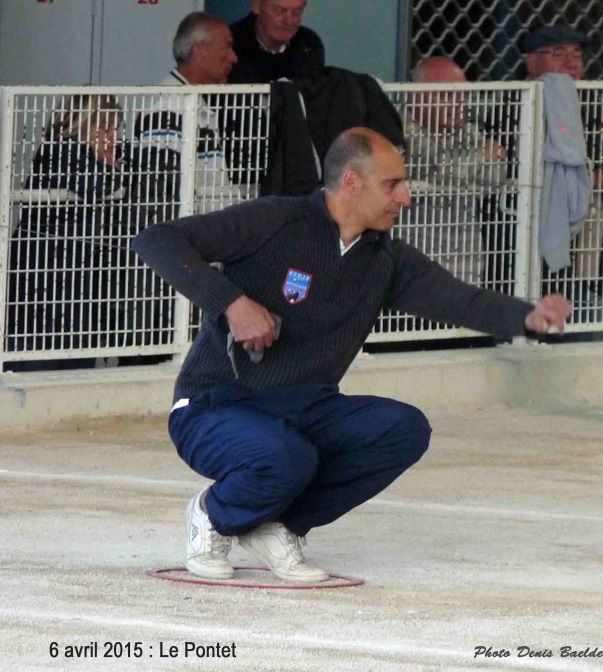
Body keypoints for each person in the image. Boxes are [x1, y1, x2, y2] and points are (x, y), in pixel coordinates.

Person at [131, 127, 571, 583]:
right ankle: (213, 514)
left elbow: (461, 300)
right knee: (288, 458)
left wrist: (527, 317)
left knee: (402, 429)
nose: (405, 197)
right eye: (393, 184)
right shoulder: (274, 221)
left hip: (306, 407)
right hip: (214, 406)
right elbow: (156, 240)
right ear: (352, 183)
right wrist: (232, 304)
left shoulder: (385, 258)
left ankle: (280, 524)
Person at [524, 24, 603, 303]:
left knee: (578, 334)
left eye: (577, 54)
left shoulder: (591, 102)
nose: (571, 63)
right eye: (558, 53)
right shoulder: (517, 102)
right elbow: (524, 161)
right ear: (532, 61)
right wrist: (595, 154)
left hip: (587, 257)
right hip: (525, 253)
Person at [7, 94, 129, 370]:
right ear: (83, 126)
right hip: (40, 290)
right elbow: (98, 185)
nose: (117, 137)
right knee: (34, 374)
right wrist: (115, 169)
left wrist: (116, 167)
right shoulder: (60, 150)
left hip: (75, 294)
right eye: (108, 128)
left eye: (118, 128)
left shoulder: (90, 157)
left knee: (75, 371)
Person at [405, 57, 508, 283]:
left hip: (466, 259)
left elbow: (497, 177)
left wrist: (462, 169)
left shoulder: (468, 131)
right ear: (416, 96)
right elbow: (442, 169)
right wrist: (482, 157)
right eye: (446, 96)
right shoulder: (403, 130)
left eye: (462, 96)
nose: (458, 105)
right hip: (419, 257)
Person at [133, 12, 239, 215]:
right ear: (199, 52)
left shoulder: (190, 101)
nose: (234, 57)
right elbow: (162, 195)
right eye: (227, 46)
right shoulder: (168, 106)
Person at [227, 0, 324, 85]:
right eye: (279, 11)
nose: (289, 22)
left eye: (296, 12)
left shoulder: (309, 44)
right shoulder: (229, 43)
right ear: (256, 5)